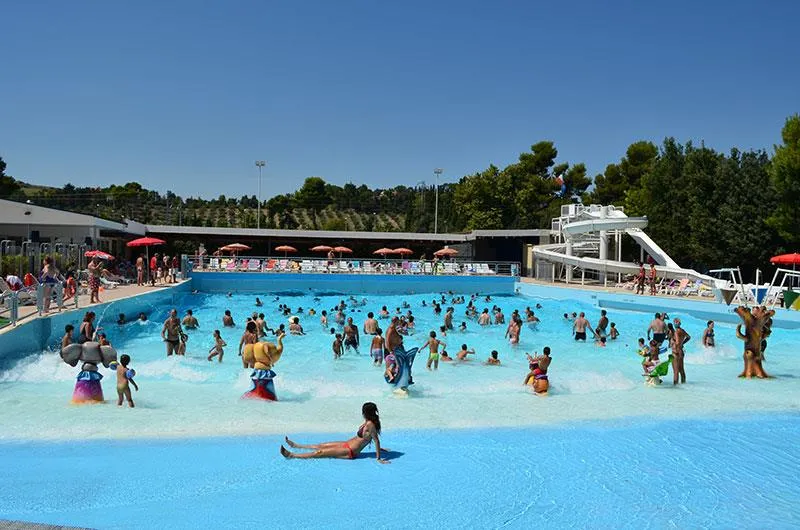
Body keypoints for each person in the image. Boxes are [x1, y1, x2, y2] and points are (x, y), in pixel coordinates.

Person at [281, 402, 389, 463]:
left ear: (365, 412)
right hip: (346, 443)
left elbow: (376, 440)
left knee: (320, 453)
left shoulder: (370, 424)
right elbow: (369, 438)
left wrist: (378, 458)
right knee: (321, 446)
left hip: (350, 451)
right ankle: (296, 445)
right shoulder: (368, 421)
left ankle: (292, 455)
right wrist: (379, 449)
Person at [671, 318, 691, 385]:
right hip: (681, 351)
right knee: (681, 370)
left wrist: (676, 345)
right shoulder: (682, 331)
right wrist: (682, 343)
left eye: (675, 322)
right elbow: (689, 337)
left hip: (676, 352)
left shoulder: (676, 331)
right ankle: (683, 384)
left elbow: (677, 342)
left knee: (676, 371)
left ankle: (675, 387)